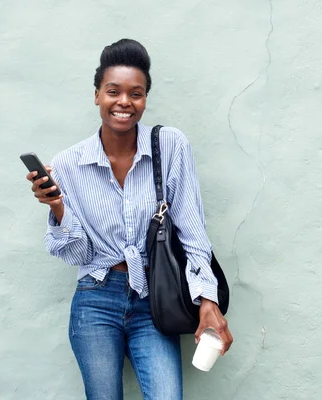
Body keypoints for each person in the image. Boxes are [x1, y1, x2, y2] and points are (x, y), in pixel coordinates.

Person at [25, 38, 233, 400]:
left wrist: (209, 302)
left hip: (155, 299)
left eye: (135, 93)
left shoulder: (169, 146)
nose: (124, 102)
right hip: (95, 299)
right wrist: (58, 207)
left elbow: (192, 231)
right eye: (113, 91)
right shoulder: (69, 165)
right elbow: (78, 254)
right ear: (96, 96)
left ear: (145, 99)